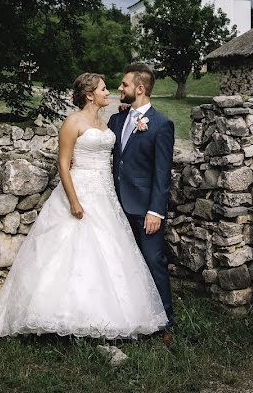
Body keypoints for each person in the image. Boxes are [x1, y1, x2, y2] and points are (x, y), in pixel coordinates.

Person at [0, 73, 168, 339]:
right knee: (69, 252)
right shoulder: (73, 122)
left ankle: (111, 317)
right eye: (105, 89)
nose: (110, 92)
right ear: (89, 94)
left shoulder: (109, 122)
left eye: (113, 88)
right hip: (80, 191)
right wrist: (73, 200)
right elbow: (63, 163)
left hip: (105, 194)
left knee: (110, 253)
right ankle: (61, 318)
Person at [108, 63, 176, 334]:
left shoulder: (161, 125)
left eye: (124, 85)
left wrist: (156, 212)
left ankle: (166, 321)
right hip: (115, 205)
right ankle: (131, 316)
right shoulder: (117, 119)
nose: (119, 89)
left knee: (153, 260)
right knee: (123, 263)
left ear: (140, 88)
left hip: (145, 209)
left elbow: (162, 173)